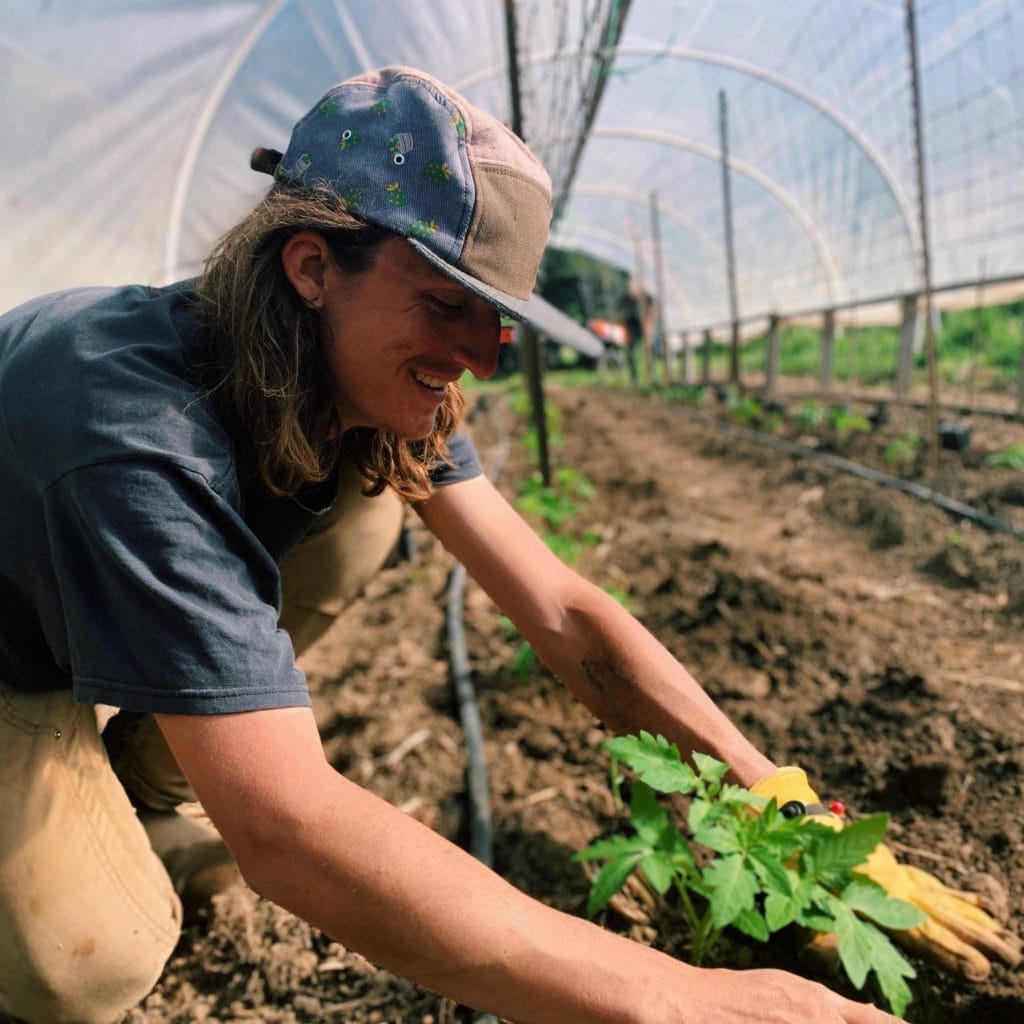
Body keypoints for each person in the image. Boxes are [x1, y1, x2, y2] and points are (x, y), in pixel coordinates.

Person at [0, 65, 1017, 1024]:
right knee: (91, 955)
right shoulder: (137, 435)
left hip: (74, 580)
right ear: (310, 266)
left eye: (495, 317)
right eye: (447, 304)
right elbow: (288, 831)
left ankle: (144, 782)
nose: (480, 359)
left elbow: (562, 609)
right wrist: (684, 998)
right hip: (13, 660)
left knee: (371, 503)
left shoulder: (354, 368)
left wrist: (782, 806)